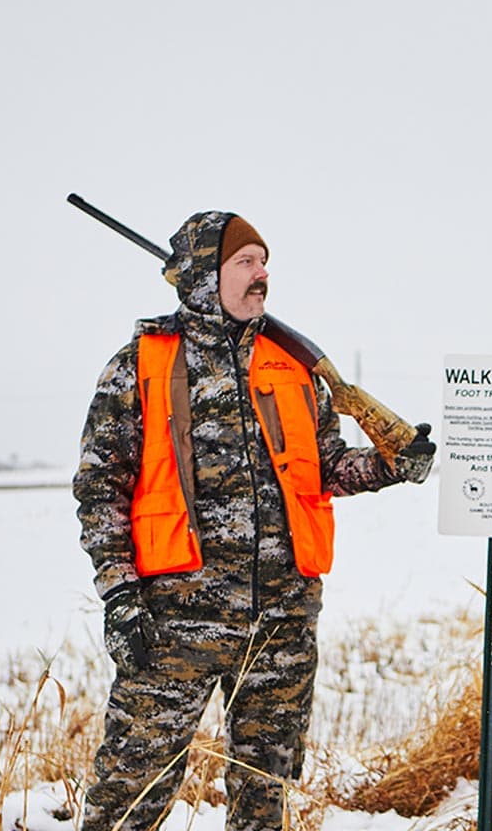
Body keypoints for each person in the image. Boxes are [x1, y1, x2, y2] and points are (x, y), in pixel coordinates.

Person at [73, 210, 434, 831]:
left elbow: (325, 469)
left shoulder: (293, 366)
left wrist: (391, 463)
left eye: (264, 262)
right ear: (202, 277)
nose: (262, 274)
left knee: (264, 799)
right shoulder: (138, 366)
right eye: (246, 262)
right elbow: (99, 489)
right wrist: (119, 595)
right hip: (174, 622)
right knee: (128, 795)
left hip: (282, 621)